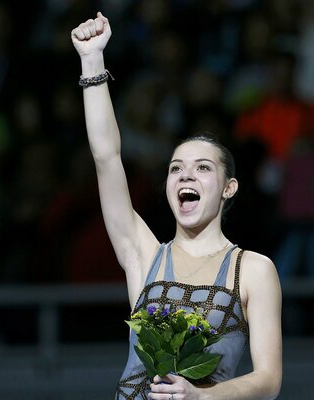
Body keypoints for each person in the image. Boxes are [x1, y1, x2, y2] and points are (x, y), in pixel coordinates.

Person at [71, 12, 282, 400]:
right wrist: (92, 59)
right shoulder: (145, 256)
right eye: (176, 169)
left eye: (203, 168)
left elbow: (268, 381)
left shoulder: (253, 269)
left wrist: (202, 396)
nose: (186, 176)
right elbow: (106, 156)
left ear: (228, 188)